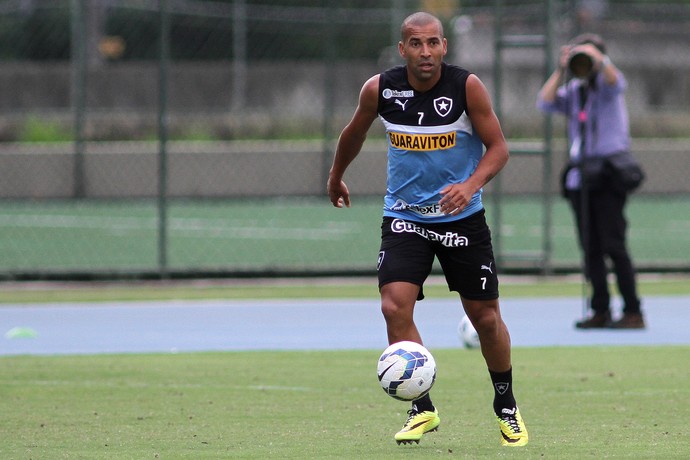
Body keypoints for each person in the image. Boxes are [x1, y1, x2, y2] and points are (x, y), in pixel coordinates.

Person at [327, 12, 528, 447]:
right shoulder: (380, 89)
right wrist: (335, 174)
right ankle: (422, 408)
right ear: (402, 50)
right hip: (405, 217)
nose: (425, 52)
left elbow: (499, 148)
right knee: (393, 306)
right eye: (416, 44)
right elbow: (353, 133)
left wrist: (469, 185)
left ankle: (506, 406)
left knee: (487, 320)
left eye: (433, 43)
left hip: (462, 220)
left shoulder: (466, 87)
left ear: (444, 47)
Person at [536, 33, 644, 329]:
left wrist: (597, 57)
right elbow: (545, 102)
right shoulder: (575, 91)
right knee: (591, 247)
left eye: (590, 57)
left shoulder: (609, 89)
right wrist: (562, 69)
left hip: (609, 176)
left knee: (614, 244)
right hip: (581, 178)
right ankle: (600, 309)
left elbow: (615, 80)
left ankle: (633, 310)